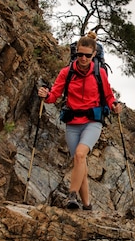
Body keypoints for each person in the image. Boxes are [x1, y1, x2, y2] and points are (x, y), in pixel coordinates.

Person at [38, 35, 122, 210]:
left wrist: (114, 105)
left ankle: (72, 195)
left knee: (80, 155)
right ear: (76, 53)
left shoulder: (99, 73)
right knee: (79, 162)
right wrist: (46, 95)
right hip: (72, 123)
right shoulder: (66, 72)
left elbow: (108, 96)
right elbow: (54, 95)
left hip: (93, 122)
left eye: (87, 55)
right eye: (80, 54)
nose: (83, 58)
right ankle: (87, 205)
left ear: (93, 55)